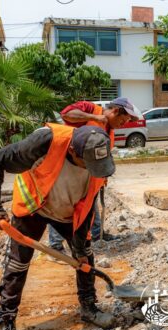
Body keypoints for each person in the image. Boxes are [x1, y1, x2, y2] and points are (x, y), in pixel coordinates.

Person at [0, 113, 133, 330]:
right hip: (34, 206)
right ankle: (6, 321)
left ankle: (88, 307)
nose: (94, 170)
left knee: (85, 258)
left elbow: (89, 200)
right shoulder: (45, 142)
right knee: (18, 263)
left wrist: (80, 243)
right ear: (75, 153)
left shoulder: (97, 158)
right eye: (90, 165)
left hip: (68, 212)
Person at [48, 98, 139, 252]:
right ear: (115, 111)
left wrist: (103, 176)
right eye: (122, 121)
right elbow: (66, 114)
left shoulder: (110, 131)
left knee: (91, 203)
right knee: (63, 204)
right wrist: (94, 118)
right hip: (69, 168)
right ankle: (56, 244)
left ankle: (97, 233)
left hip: (91, 173)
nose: (122, 125)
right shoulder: (90, 109)